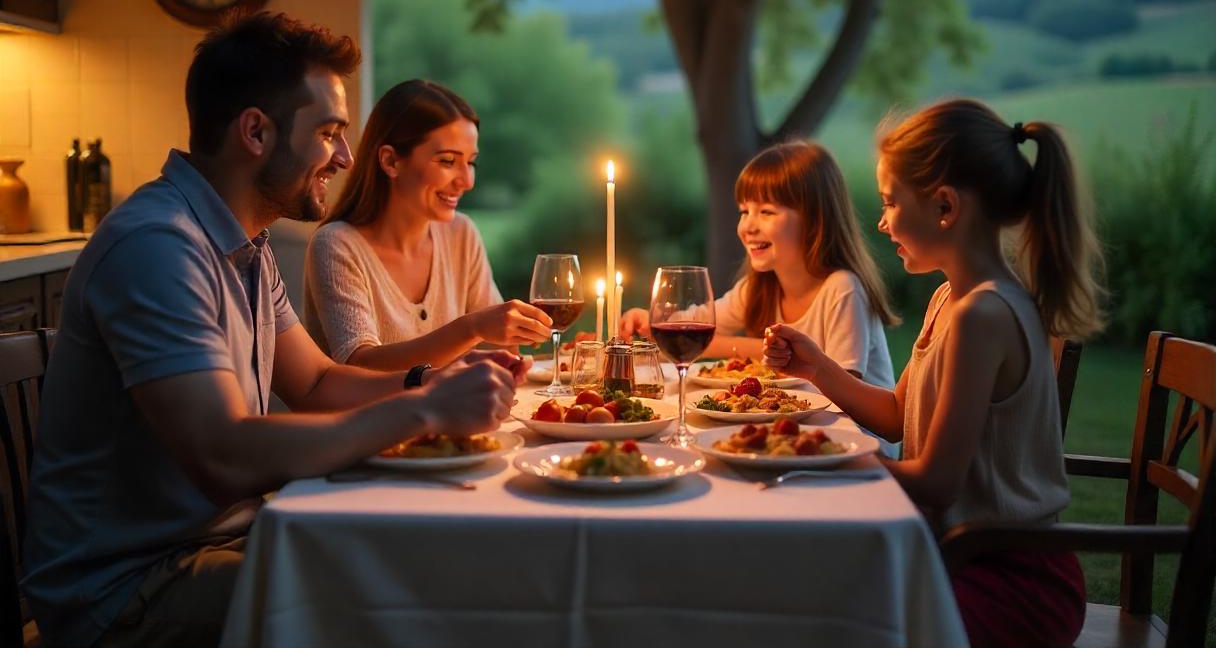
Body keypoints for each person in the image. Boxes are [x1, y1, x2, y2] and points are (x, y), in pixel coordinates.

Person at [22, 13, 523, 648]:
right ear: (256, 131)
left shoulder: (245, 244)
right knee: (410, 596)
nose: (345, 157)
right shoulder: (158, 246)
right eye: (329, 133)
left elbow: (315, 383)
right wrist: (424, 410)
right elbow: (223, 456)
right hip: (129, 586)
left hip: (224, 539)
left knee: (432, 556)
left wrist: (431, 381)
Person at [764, 100, 1104, 648]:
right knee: (812, 594)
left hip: (1010, 579)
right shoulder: (951, 299)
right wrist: (818, 367)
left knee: (829, 619)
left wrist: (828, 458)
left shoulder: (983, 315)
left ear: (945, 205)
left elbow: (936, 482)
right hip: (954, 554)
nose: (881, 221)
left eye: (890, 202)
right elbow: (896, 417)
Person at [304, 80, 551, 370]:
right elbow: (361, 365)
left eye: (471, 163)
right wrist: (471, 328)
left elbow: (500, 351)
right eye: (447, 161)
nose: (466, 181)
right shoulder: (336, 245)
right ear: (391, 161)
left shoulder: (461, 234)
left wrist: (513, 348)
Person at [619, 139, 897, 390]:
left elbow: (845, 395)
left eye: (766, 211)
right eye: (744, 211)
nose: (748, 226)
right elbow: (700, 323)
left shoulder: (842, 289)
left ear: (814, 220)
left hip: (856, 430)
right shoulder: (759, 287)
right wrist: (653, 323)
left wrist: (754, 349)